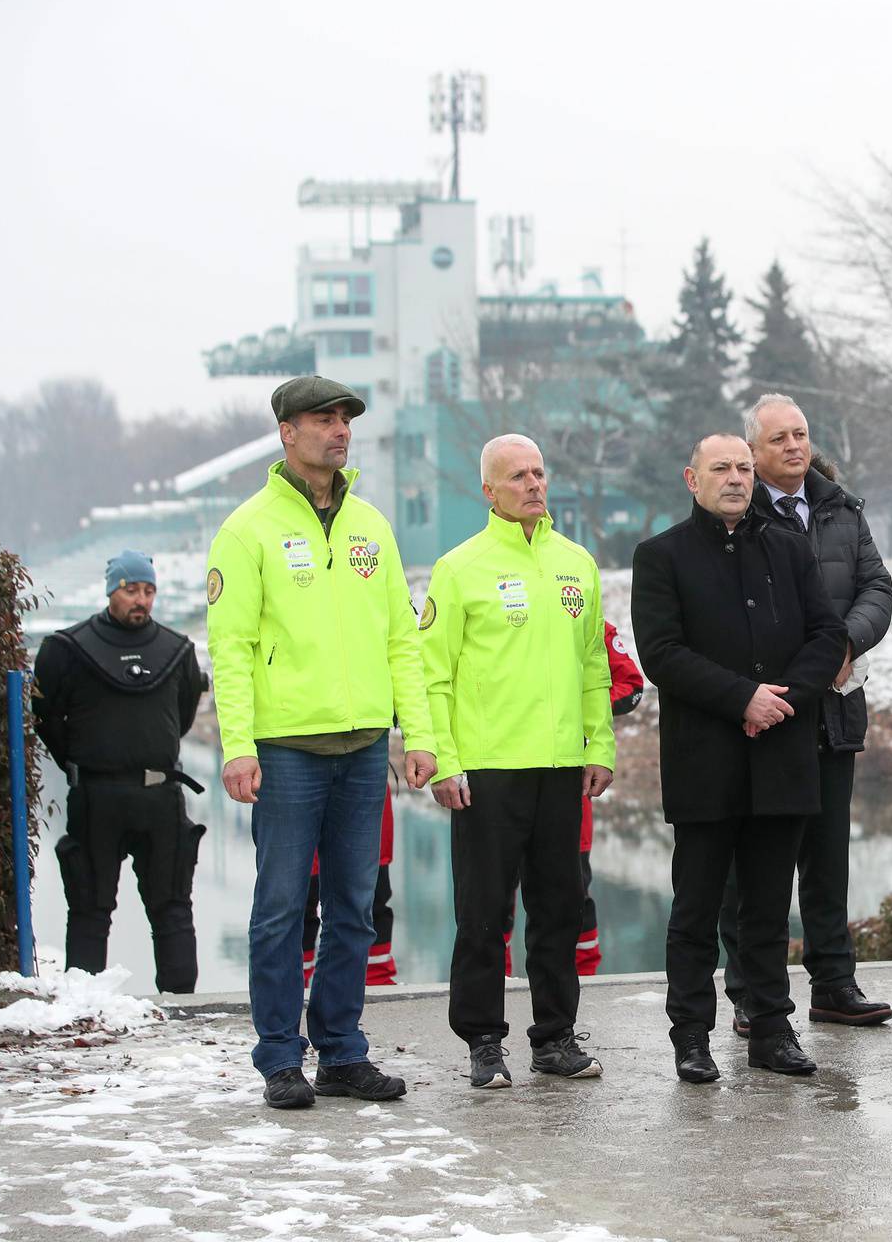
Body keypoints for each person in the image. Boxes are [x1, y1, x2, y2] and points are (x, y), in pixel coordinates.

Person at [205, 374, 437, 1110]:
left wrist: (418, 733)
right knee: (279, 906)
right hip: (286, 749)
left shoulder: (371, 524)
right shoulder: (248, 529)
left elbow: (403, 638)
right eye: (322, 419)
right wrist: (237, 746)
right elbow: (232, 646)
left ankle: (341, 1051)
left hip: (366, 745)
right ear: (287, 432)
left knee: (356, 907)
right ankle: (280, 1057)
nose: (339, 430)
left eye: (345, 419)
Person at [631, 433, 847, 1083]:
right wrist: (743, 698)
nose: (735, 478)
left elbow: (827, 633)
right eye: (721, 468)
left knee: (766, 906)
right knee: (696, 908)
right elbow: (662, 653)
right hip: (706, 760)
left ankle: (772, 1030)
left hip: (781, 754)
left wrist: (783, 700)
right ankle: (691, 1035)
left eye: (744, 469)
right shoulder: (661, 555)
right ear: (691, 478)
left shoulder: (788, 546)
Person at [423, 434, 614, 1090]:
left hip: (561, 765)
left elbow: (594, 665)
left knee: (562, 906)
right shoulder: (458, 569)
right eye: (517, 477)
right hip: (488, 767)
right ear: (489, 491)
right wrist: (445, 762)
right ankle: (482, 1039)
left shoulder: (576, 564)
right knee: (483, 912)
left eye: (539, 473)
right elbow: (433, 675)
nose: (534, 485)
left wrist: (600, 745)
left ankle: (554, 1036)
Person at [719, 394, 892, 1034]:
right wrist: (809, 667)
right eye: (778, 439)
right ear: (753, 452)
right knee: (752, 868)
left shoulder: (841, 509)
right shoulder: (737, 513)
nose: (794, 446)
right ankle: (752, 995)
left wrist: (847, 642)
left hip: (834, 712)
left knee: (827, 858)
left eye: (801, 434)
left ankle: (834, 982)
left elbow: (877, 586)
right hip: (766, 713)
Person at [33, 549, 207, 994]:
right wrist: (83, 763)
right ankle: (85, 1004)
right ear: (112, 590)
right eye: (131, 589)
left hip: (160, 794)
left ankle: (181, 1010)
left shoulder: (178, 651)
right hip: (97, 795)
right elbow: (48, 718)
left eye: (148, 591)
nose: (141, 600)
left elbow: (181, 716)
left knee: (172, 908)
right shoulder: (66, 650)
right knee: (90, 908)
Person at [501, 620, 644, 978]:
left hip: (567, 777)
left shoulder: (583, 615)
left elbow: (631, 686)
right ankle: (496, 986)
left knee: (572, 890)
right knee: (494, 896)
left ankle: (582, 979)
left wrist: (571, 712)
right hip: (498, 771)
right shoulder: (490, 609)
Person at [301, 786, 397, 988]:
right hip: (298, 777)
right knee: (298, 902)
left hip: (361, 775)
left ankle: (375, 979)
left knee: (371, 896)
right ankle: (294, 983)